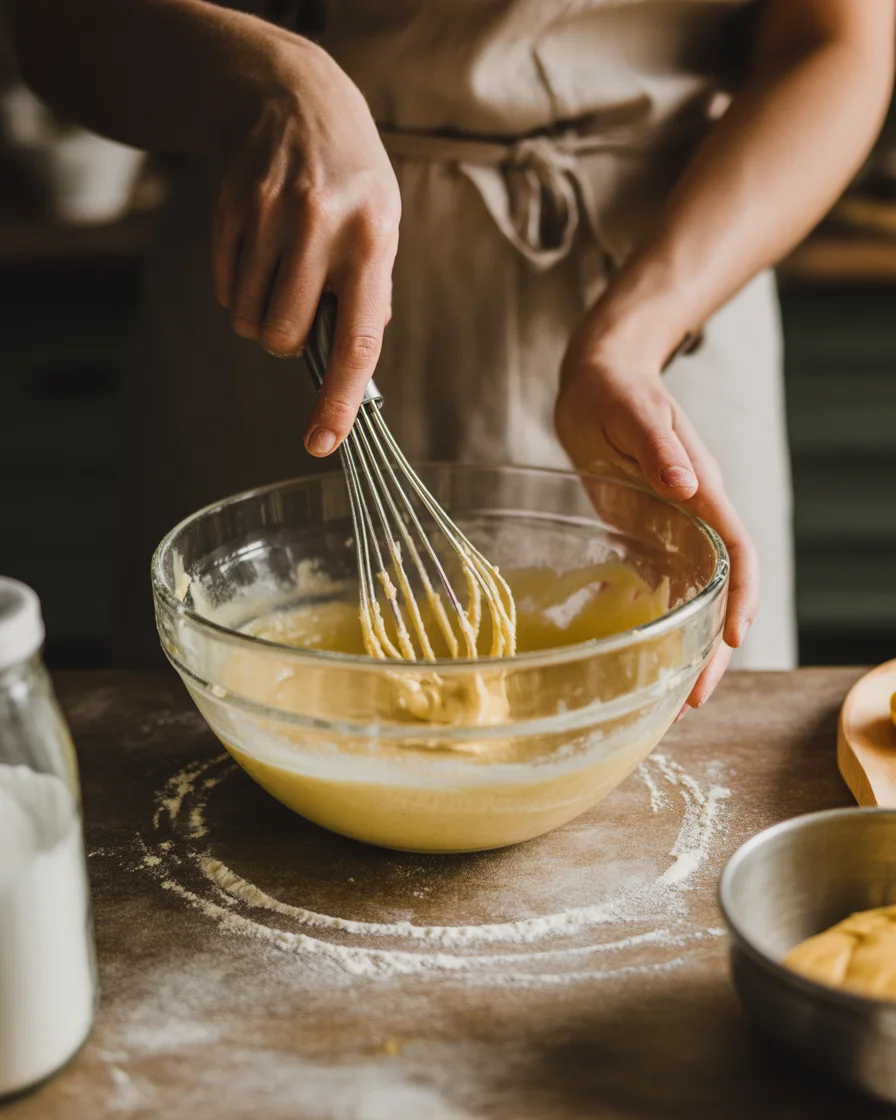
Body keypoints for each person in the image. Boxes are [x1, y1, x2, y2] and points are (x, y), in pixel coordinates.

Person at [8, 1, 895, 702]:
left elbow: (835, 42)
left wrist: (638, 333)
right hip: (286, 264)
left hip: (675, 274)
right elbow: (60, 28)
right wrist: (268, 79)